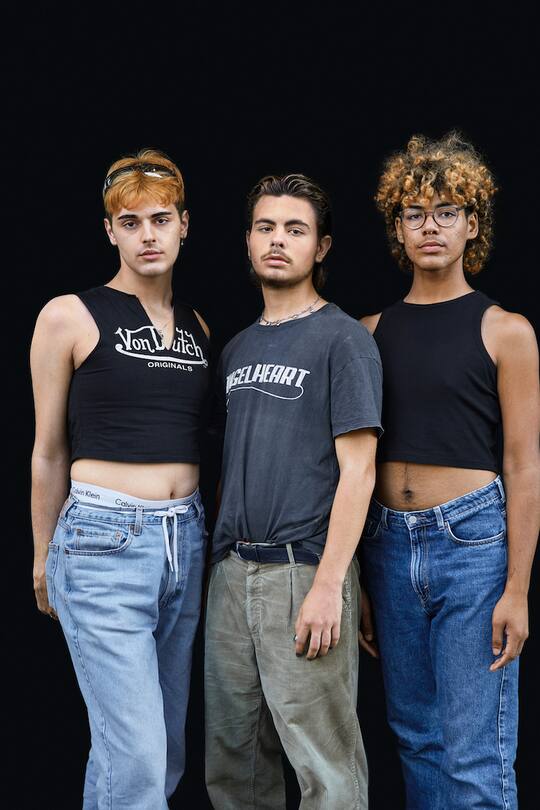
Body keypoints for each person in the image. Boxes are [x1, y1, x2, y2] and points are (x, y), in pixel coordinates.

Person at [359, 132, 540, 810]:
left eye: (446, 210)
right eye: (413, 212)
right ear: (396, 227)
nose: (429, 225)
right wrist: (361, 579)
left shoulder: (505, 330)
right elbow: (353, 462)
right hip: (386, 544)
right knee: (414, 735)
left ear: (473, 224)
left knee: (474, 749)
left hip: (473, 547)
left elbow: (524, 466)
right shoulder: (369, 329)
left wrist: (518, 588)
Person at [31, 149, 210, 809]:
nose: (148, 235)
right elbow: (48, 451)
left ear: (184, 225)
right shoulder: (68, 316)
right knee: (133, 758)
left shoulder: (198, 327)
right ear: (111, 231)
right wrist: (43, 554)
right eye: (130, 222)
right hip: (104, 542)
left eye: (161, 219)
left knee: (161, 753)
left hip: (184, 544)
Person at [205, 174, 383, 809]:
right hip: (230, 574)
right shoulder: (236, 349)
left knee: (325, 771)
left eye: (295, 229)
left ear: (323, 247)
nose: (278, 240)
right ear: (249, 242)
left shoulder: (345, 341)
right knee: (234, 767)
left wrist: (330, 586)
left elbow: (359, 473)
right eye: (266, 227)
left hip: (301, 570)